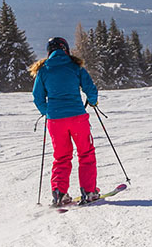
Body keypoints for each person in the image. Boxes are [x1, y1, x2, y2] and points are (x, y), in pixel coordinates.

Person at [31, 37, 101, 206]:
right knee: (86, 153)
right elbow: (90, 88)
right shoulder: (75, 66)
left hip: (55, 122)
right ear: (66, 49)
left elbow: (38, 97)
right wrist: (93, 101)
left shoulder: (43, 70)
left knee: (61, 157)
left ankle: (59, 193)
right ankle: (89, 192)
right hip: (77, 118)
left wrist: (47, 112)